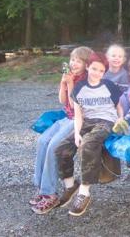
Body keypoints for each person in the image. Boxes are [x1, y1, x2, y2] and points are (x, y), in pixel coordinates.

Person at [55, 52, 123, 217]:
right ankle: (70, 185)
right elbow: (78, 115)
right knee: (61, 148)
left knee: (88, 144)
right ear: (88, 67)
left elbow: (119, 105)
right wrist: (77, 133)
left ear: (104, 72)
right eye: (94, 69)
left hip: (105, 121)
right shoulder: (79, 88)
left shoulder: (109, 85)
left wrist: (120, 118)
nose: (97, 73)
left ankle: (84, 192)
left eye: (101, 70)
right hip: (87, 121)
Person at [30, 46, 93, 214]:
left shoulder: (86, 81)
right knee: (43, 140)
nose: (74, 63)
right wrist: (63, 83)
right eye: (72, 60)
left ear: (86, 64)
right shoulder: (70, 76)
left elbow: (75, 105)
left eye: (78, 61)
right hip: (65, 118)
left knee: (54, 146)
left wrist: (71, 83)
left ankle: (49, 193)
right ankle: (41, 188)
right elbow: (63, 101)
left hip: (77, 120)